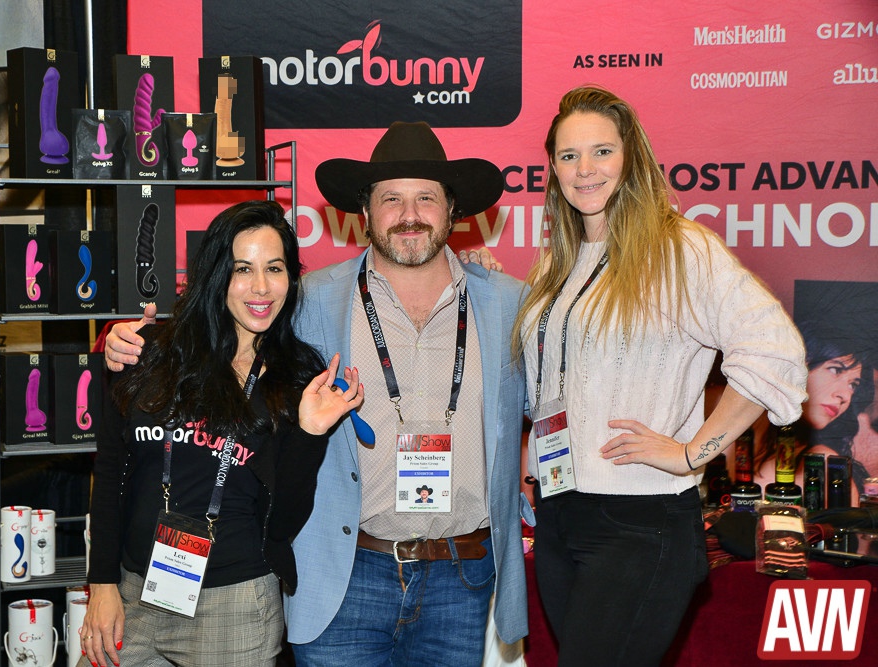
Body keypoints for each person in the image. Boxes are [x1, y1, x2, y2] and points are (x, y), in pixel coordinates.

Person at [104, 121, 530, 665]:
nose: (410, 214)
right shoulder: (307, 300)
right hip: (344, 576)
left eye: (426, 198)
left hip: (461, 580)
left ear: (453, 210)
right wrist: (124, 342)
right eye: (391, 199)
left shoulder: (508, 304)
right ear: (364, 211)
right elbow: (216, 329)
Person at [514, 86, 807, 666]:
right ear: (554, 169)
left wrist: (695, 451)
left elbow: (774, 352)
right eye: (569, 155)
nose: (585, 169)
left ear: (632, 159)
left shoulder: (680, 250)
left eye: (602, 151)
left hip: (639, 521)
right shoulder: (556, 265)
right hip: (558, 513)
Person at [80, 200, 363, 667]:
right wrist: (102, 584)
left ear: (291, 278)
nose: (261, 286)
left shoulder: (298, 378)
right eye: (242, 269)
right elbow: (110, 472)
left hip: (234, 609)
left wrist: (310, 433)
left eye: (274, 268)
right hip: (132, 595)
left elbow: (284, 522)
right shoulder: (145, 352)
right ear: (215, 274)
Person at [753, 319, 875, 503]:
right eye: (835, 370)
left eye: (853, 385)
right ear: (799, 365)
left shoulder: (823, 460)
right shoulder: (751, 431)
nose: (845, 395)